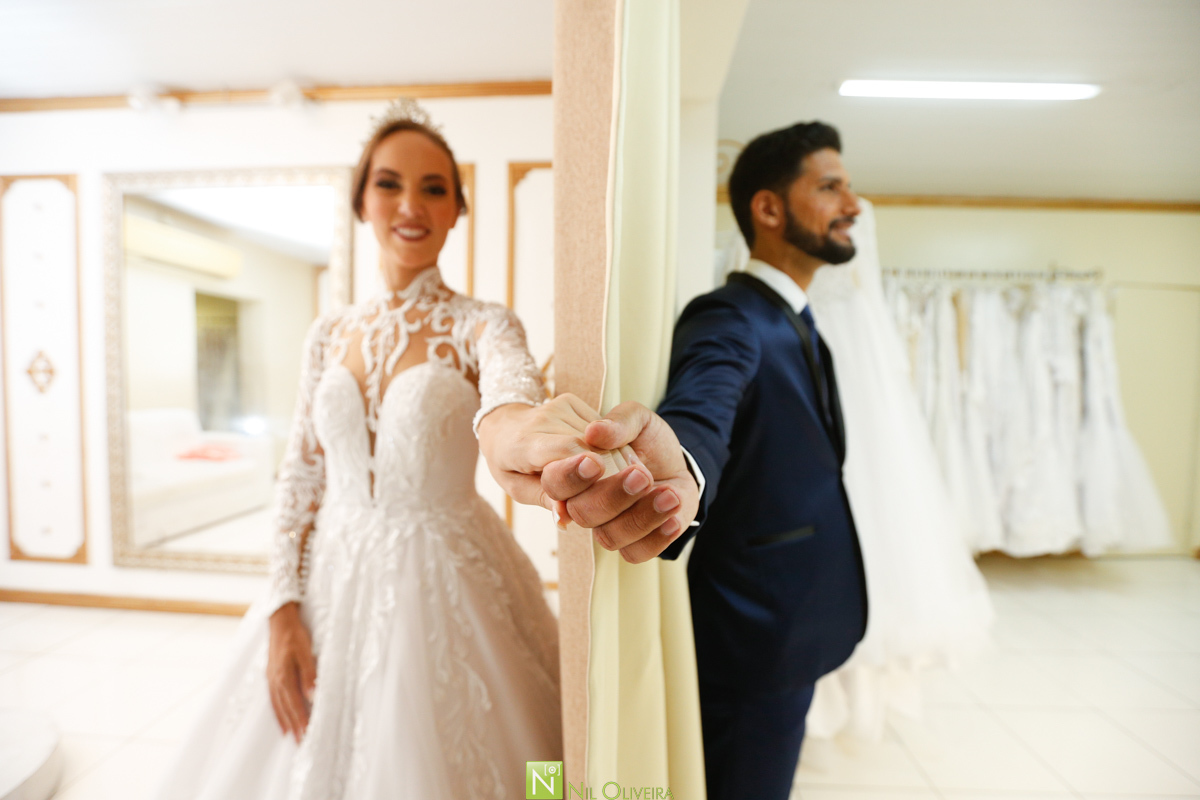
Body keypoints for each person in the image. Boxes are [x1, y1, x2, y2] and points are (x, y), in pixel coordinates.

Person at [152, 100, 567, 800]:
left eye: (435, 187)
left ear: (458, 210)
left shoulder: (484, 325)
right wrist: (284, 606)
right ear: (361, 201)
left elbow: (509, 394)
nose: (411, 204)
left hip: (447, 576)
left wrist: (516, 431)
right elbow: (301, 473)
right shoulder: (328, 332)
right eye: (389, 183)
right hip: (327, 581)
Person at [489, 121, 869, 800]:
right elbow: (701, 412)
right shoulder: (730, 318)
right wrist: (683, 472)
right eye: (831, 186)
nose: (854, 204)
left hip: (795, 628)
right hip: (751, 644)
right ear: (769, 208)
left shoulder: (801, 321)